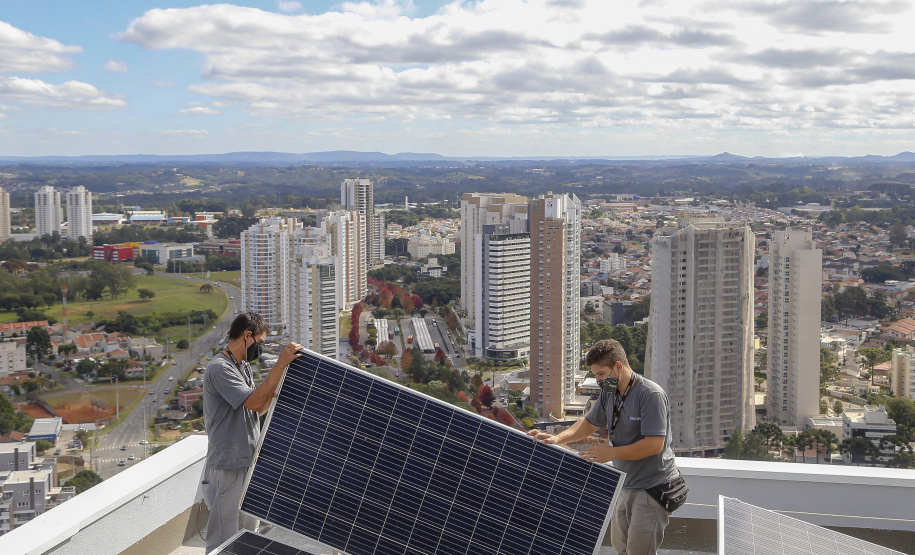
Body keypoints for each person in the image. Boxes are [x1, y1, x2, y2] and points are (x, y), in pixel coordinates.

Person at [529, 339, 680, 555]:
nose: (598, 380)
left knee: (639, 551)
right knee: (621, 548)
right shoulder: (610, 393)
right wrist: (557, 439)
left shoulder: (650, 395)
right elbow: (589, 423)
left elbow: (654, 445)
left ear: (618, 367)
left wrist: (610, 454)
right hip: (625, 484)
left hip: (651, 488)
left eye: (601, 374)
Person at [201, 312, 303, 553]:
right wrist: (280, 364)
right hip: (228, 465)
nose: (261, 348)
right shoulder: (220, 368)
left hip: (246, 461)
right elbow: (255, 403)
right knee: (224, 536)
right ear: (247, 336)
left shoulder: (242, 366)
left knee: (247, 534)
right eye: (261, 342)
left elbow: (258, 407)